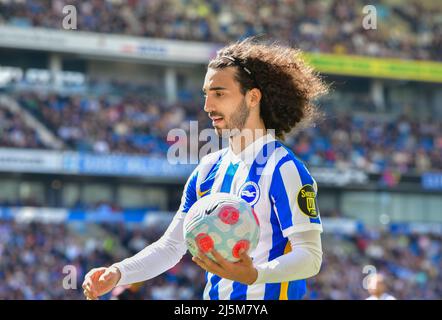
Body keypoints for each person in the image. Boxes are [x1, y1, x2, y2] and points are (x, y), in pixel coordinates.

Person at [82, 38, 328, 300]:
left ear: (253, 97)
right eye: (206, 94)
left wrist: (255, 274)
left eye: (219, 93)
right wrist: (119, 272)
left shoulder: (284, 168)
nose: (207, 106)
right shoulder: (208, 170)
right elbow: (172, 246)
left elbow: (310, 256)